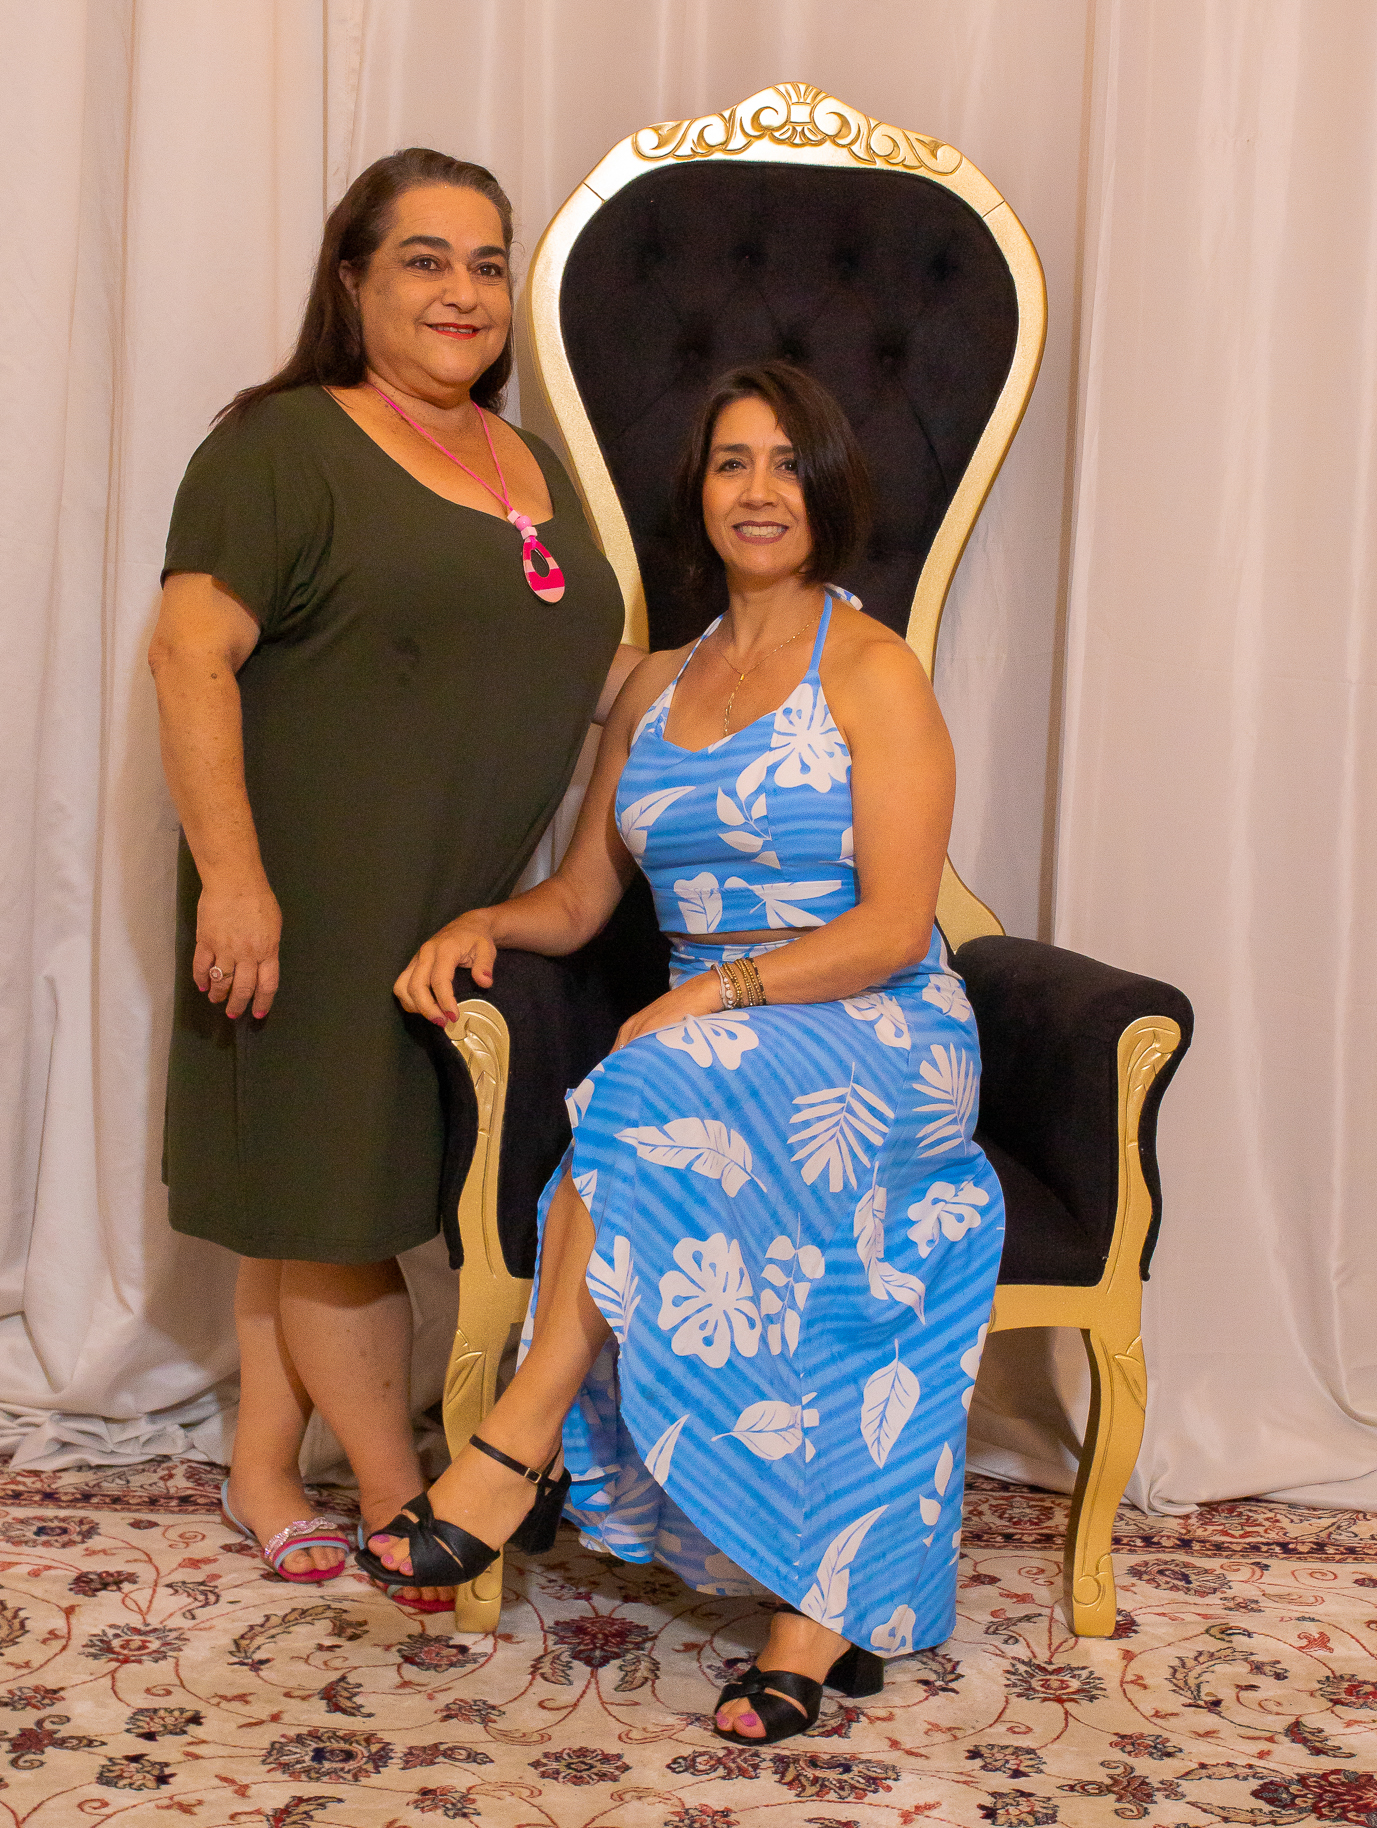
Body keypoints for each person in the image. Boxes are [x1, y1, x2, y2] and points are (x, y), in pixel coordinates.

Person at [360, 360, 1006, 1740]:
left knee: (650, 1077)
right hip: (709, 1049)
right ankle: (810, 1608)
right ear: (698, 493)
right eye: (730, 462)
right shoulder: (656, 684)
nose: (758, 490)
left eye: (785, 463)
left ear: (825, 491)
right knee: (656, 1091)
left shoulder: (873, 668)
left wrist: (717, 996)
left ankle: (515, 1444)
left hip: (877, 1031)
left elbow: (896, 924)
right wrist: (482, 920)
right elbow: (582, 899)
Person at [148, 148, 637, 1606]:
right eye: (425, 259)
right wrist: (234, 881)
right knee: (337, 1204)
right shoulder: (281, 444)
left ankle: (259, 1468)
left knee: (309, 1191)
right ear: (352, 279)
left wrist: (772, 662)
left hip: (454, 895)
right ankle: (396, 1494)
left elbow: (589, 665)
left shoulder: (526, 462)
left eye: (487, 263)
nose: (462, 291)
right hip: (309, 889)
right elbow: (188, 655)